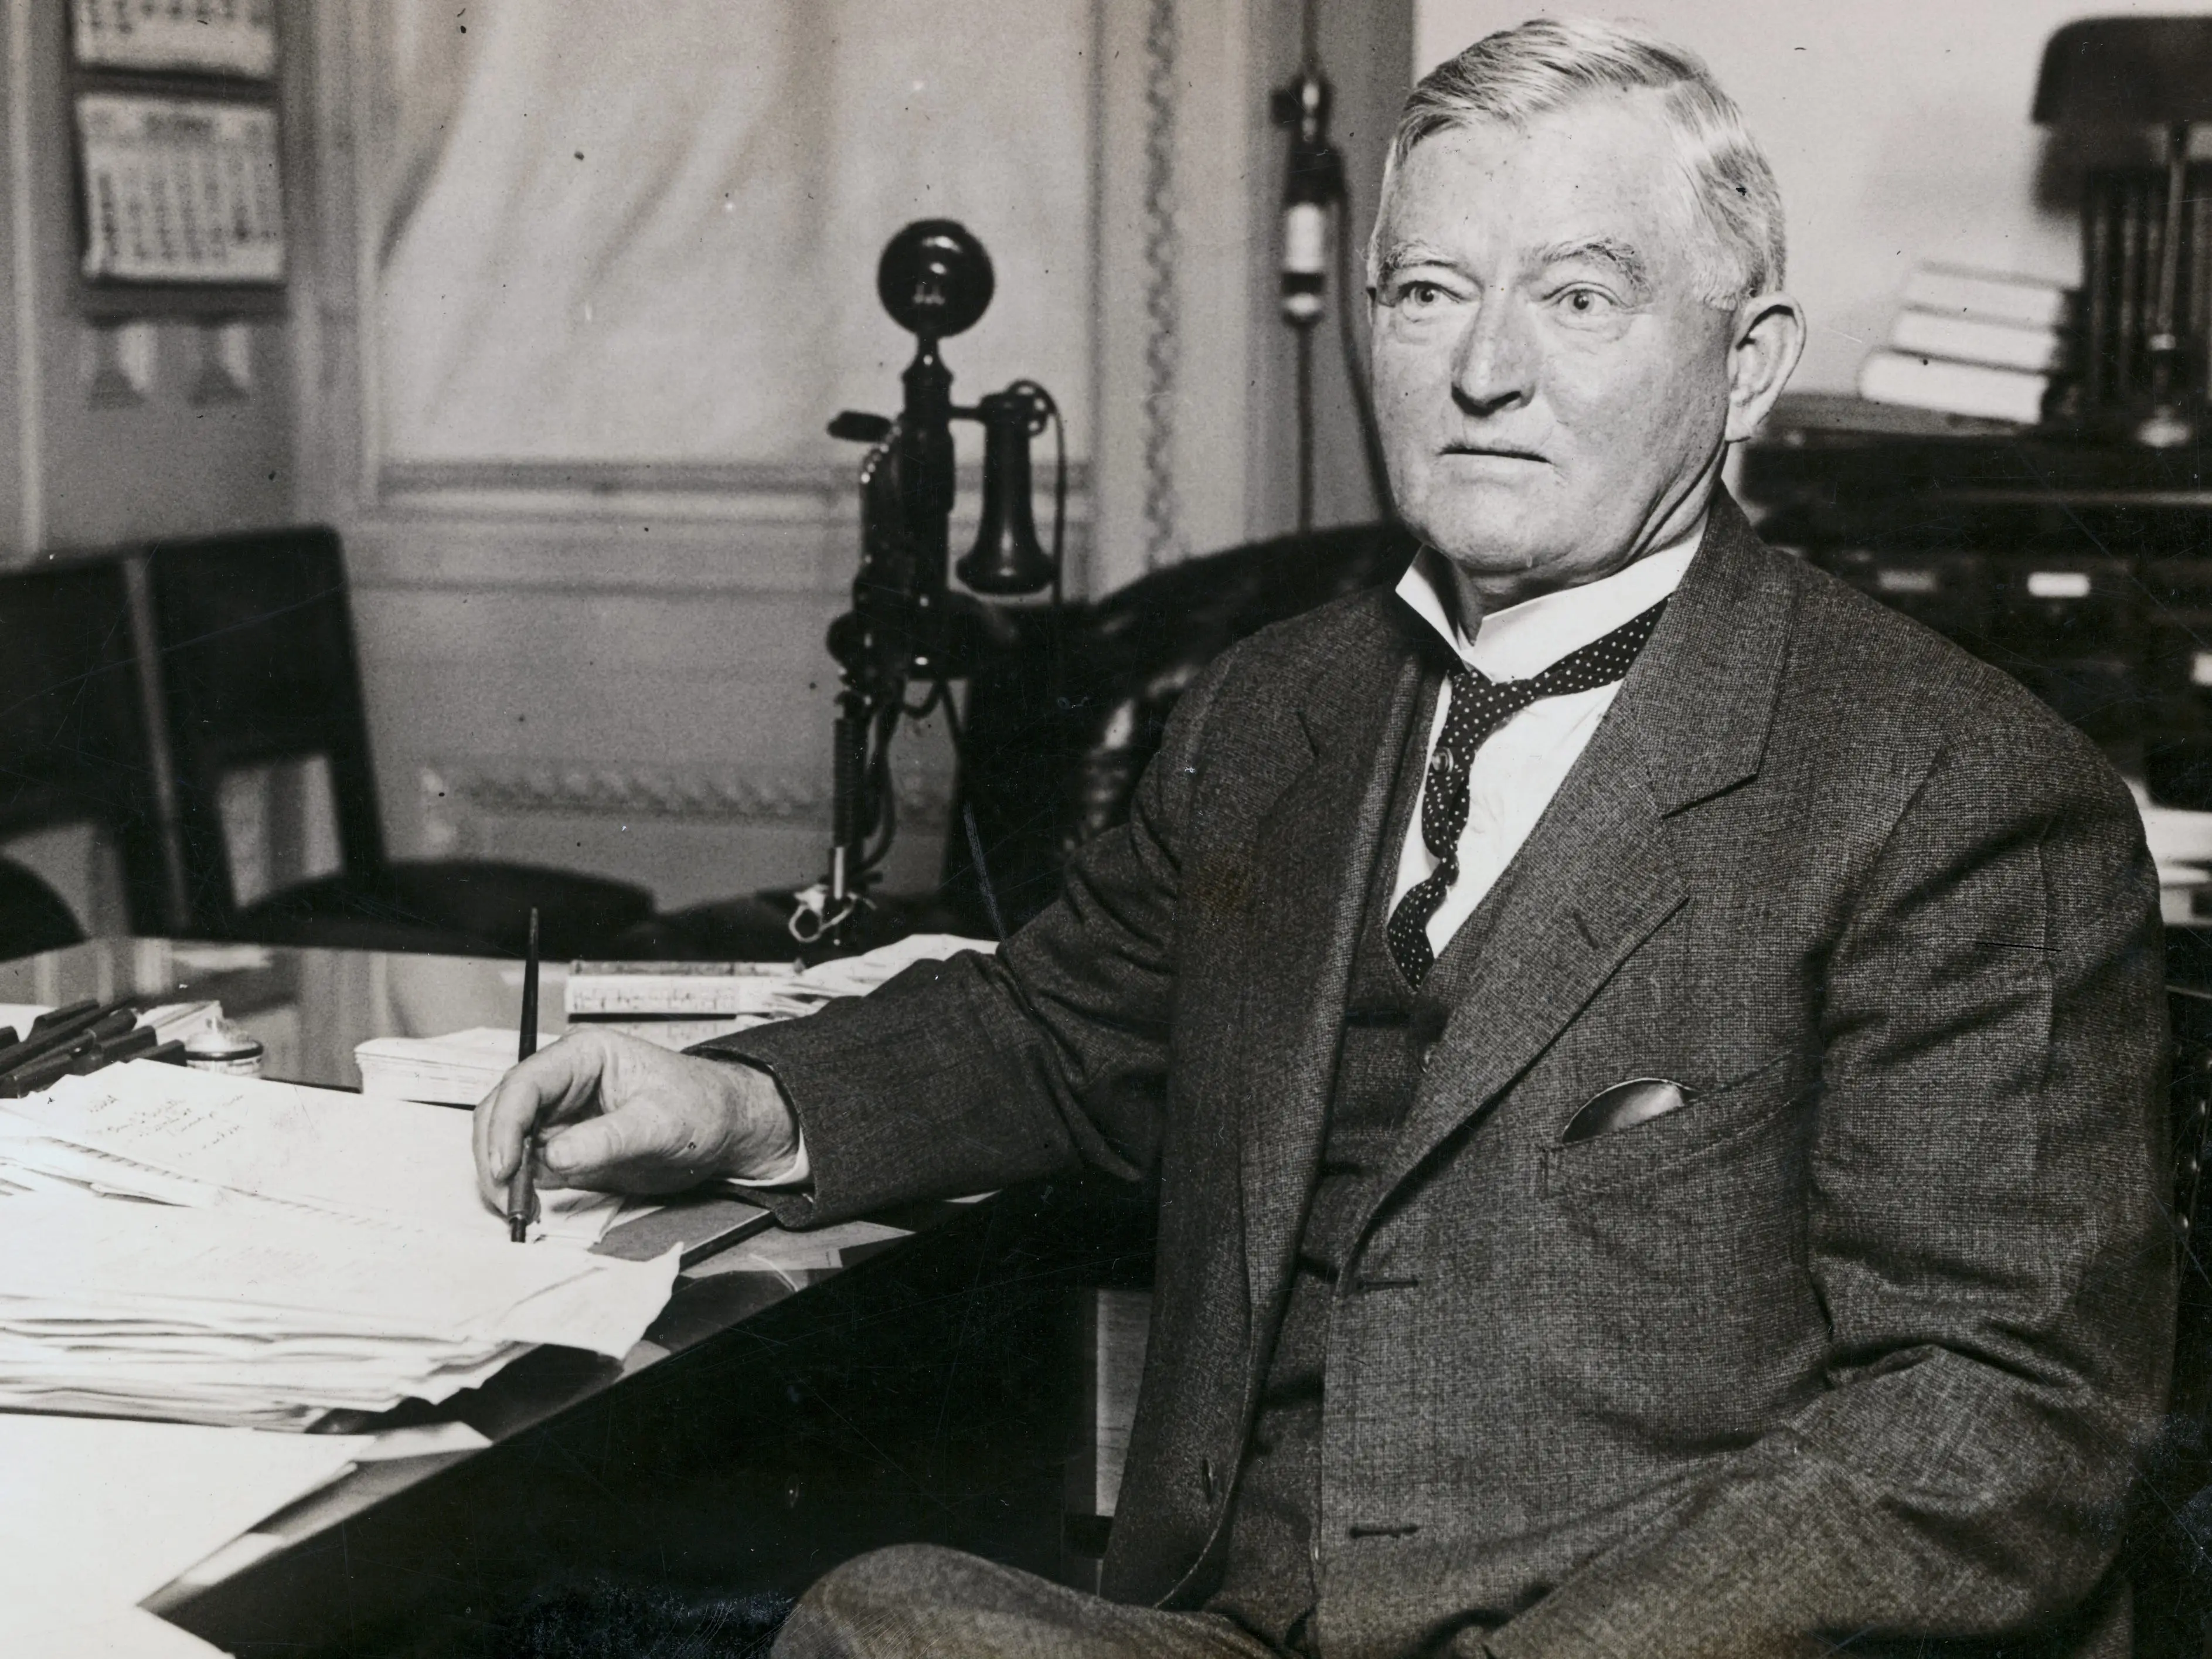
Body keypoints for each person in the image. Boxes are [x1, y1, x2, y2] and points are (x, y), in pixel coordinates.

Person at [475, 18, 2175, 1658]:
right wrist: (743, 1099)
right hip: (1233, 1608)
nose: (1484, 369)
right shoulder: (1267, 713)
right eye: (1429, 292)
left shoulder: (1952, 787)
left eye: (1578, 297)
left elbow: (1994, 1424)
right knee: (876, 1613)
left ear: (1746, 365)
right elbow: (1062, 1024)